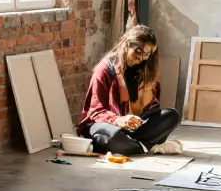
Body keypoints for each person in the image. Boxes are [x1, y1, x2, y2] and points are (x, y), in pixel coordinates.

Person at [78, 25, 182, 156]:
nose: (141, 58)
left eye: (147, 54)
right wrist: (119, 120)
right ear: (126, 45)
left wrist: (139, 120)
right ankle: (145, 146)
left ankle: (133, 145)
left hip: (132, 129)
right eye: (138, 52)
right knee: (112, 136)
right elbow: (95, 112)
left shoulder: (145, 71)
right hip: (106, 124)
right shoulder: (105, 68)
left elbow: (153, 111)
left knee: (171, 116)